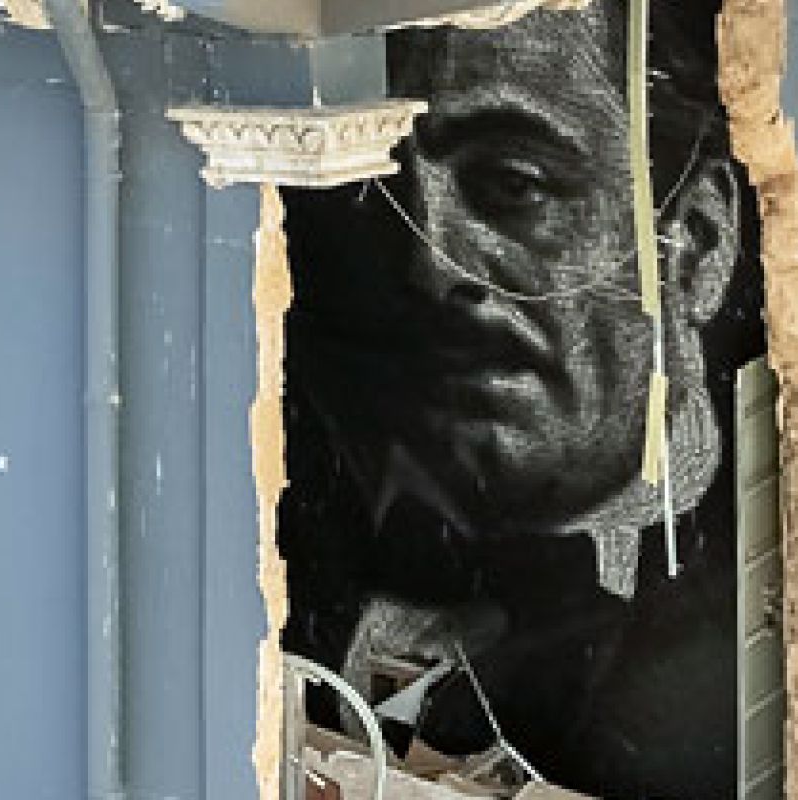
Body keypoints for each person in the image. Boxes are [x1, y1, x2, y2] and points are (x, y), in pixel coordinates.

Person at [277, 0, 764, 796]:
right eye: (390, 186)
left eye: (513, 185)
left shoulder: (742, 623)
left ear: (697, 244)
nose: (432, 266)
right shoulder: (318, 493)